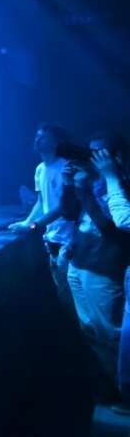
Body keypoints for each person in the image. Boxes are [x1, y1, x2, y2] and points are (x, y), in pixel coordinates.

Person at [64, 133, 130, 403]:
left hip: (104, 267)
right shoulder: (91, 181)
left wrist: (84, 190)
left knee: (110, 332)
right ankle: (110, 385)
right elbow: (69, 213)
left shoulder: (121, 186)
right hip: (79, 262)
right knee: (89, 329)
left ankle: (124, 391)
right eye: (89, 152)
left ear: (116, 157)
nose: (90, 158)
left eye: (98, 153)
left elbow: (111, 228)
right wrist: (69, 184)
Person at [9, 124, 76, 312]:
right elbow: (41, 202)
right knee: (64, 296)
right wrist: (26, 222)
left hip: (70, 239)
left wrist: (34, 225)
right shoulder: (40, 169)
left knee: (73, 298)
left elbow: (63, 206)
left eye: (44, 137)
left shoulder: (66, 167)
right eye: (37, 136)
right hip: (52, 239)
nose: (38, 139)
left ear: (57, 142)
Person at [87, 137, 130, 411]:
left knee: (121, 339)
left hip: (106, 265)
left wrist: (111, 178)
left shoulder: (117, 181)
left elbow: (122, 221)